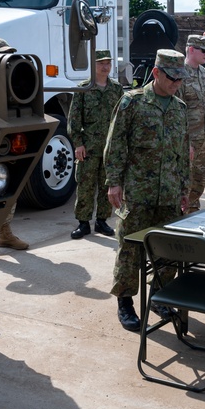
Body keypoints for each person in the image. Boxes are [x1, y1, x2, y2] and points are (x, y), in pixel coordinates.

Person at [105, 49, 190, 332]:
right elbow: (116, 143)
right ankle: (125, 302)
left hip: (167, 193)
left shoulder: (179, 108)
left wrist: (183, 189)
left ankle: (159, 296)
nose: (176, 83)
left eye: (180, 78)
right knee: (129, 248)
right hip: (137, 192)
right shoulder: (133, 102)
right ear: (156, 73)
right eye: (171, 77)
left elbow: (182, 154)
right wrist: (114, 181)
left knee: (169, 249)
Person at [68, 49, 123, 239]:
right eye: (101, 63)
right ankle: (83, 223)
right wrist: (78, 144)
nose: (105, 66)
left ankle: (101, 221)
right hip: (89, 148)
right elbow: (74, 120)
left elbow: (122, 119)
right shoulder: (83, 88)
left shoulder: (116, 89)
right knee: (85, 186)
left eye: (108, 63)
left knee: (107, 185)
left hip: (110, 149)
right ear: (93, 65)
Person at [0, 36, 29, 251]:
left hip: (11, 139)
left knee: (11, 186)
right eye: (0, 54)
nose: (6, 58)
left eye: (8, 54)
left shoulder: (15, 79)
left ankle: (5, 233)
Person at [178, 34, 205, 212]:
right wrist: (185, 142)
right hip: (190, 141)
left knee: (199, 180)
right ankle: (181, 214)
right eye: (204, 50)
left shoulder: (204, 73)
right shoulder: (179, 75)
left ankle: (192, 211)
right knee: (185, 181)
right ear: (191, 49)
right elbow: (177, 113)